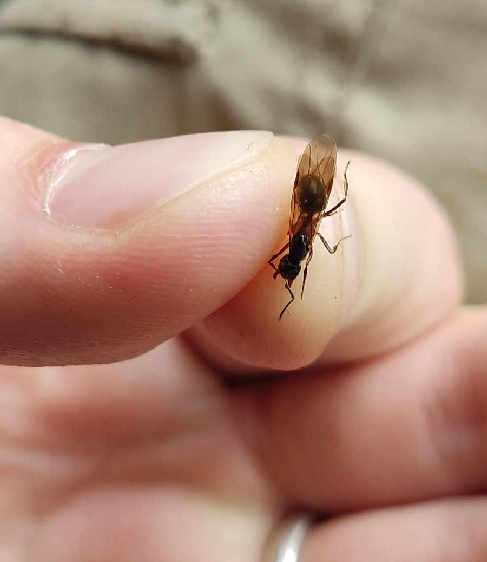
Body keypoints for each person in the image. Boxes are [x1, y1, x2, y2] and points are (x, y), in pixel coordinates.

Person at [0, 116, 485, 561]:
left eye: (288, 268)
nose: (287, 270)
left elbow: (310, 236)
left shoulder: (303, 236)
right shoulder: (293, 234)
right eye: (288, 268)